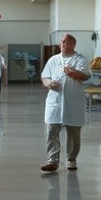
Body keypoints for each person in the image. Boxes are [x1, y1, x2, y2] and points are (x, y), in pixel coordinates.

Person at [40, 34, 90, 172]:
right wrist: (50, 84)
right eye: (61, 42)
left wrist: (73, 73)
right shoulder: (54, 60)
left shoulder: (80, 59)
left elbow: (85, 75)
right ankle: (52, 160)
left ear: (73, 45)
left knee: (73, 133)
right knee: (51, 131)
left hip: (72, 101)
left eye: (65, 42)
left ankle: (71, 159)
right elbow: (45, 76)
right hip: (55, 101)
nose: (62, 44)